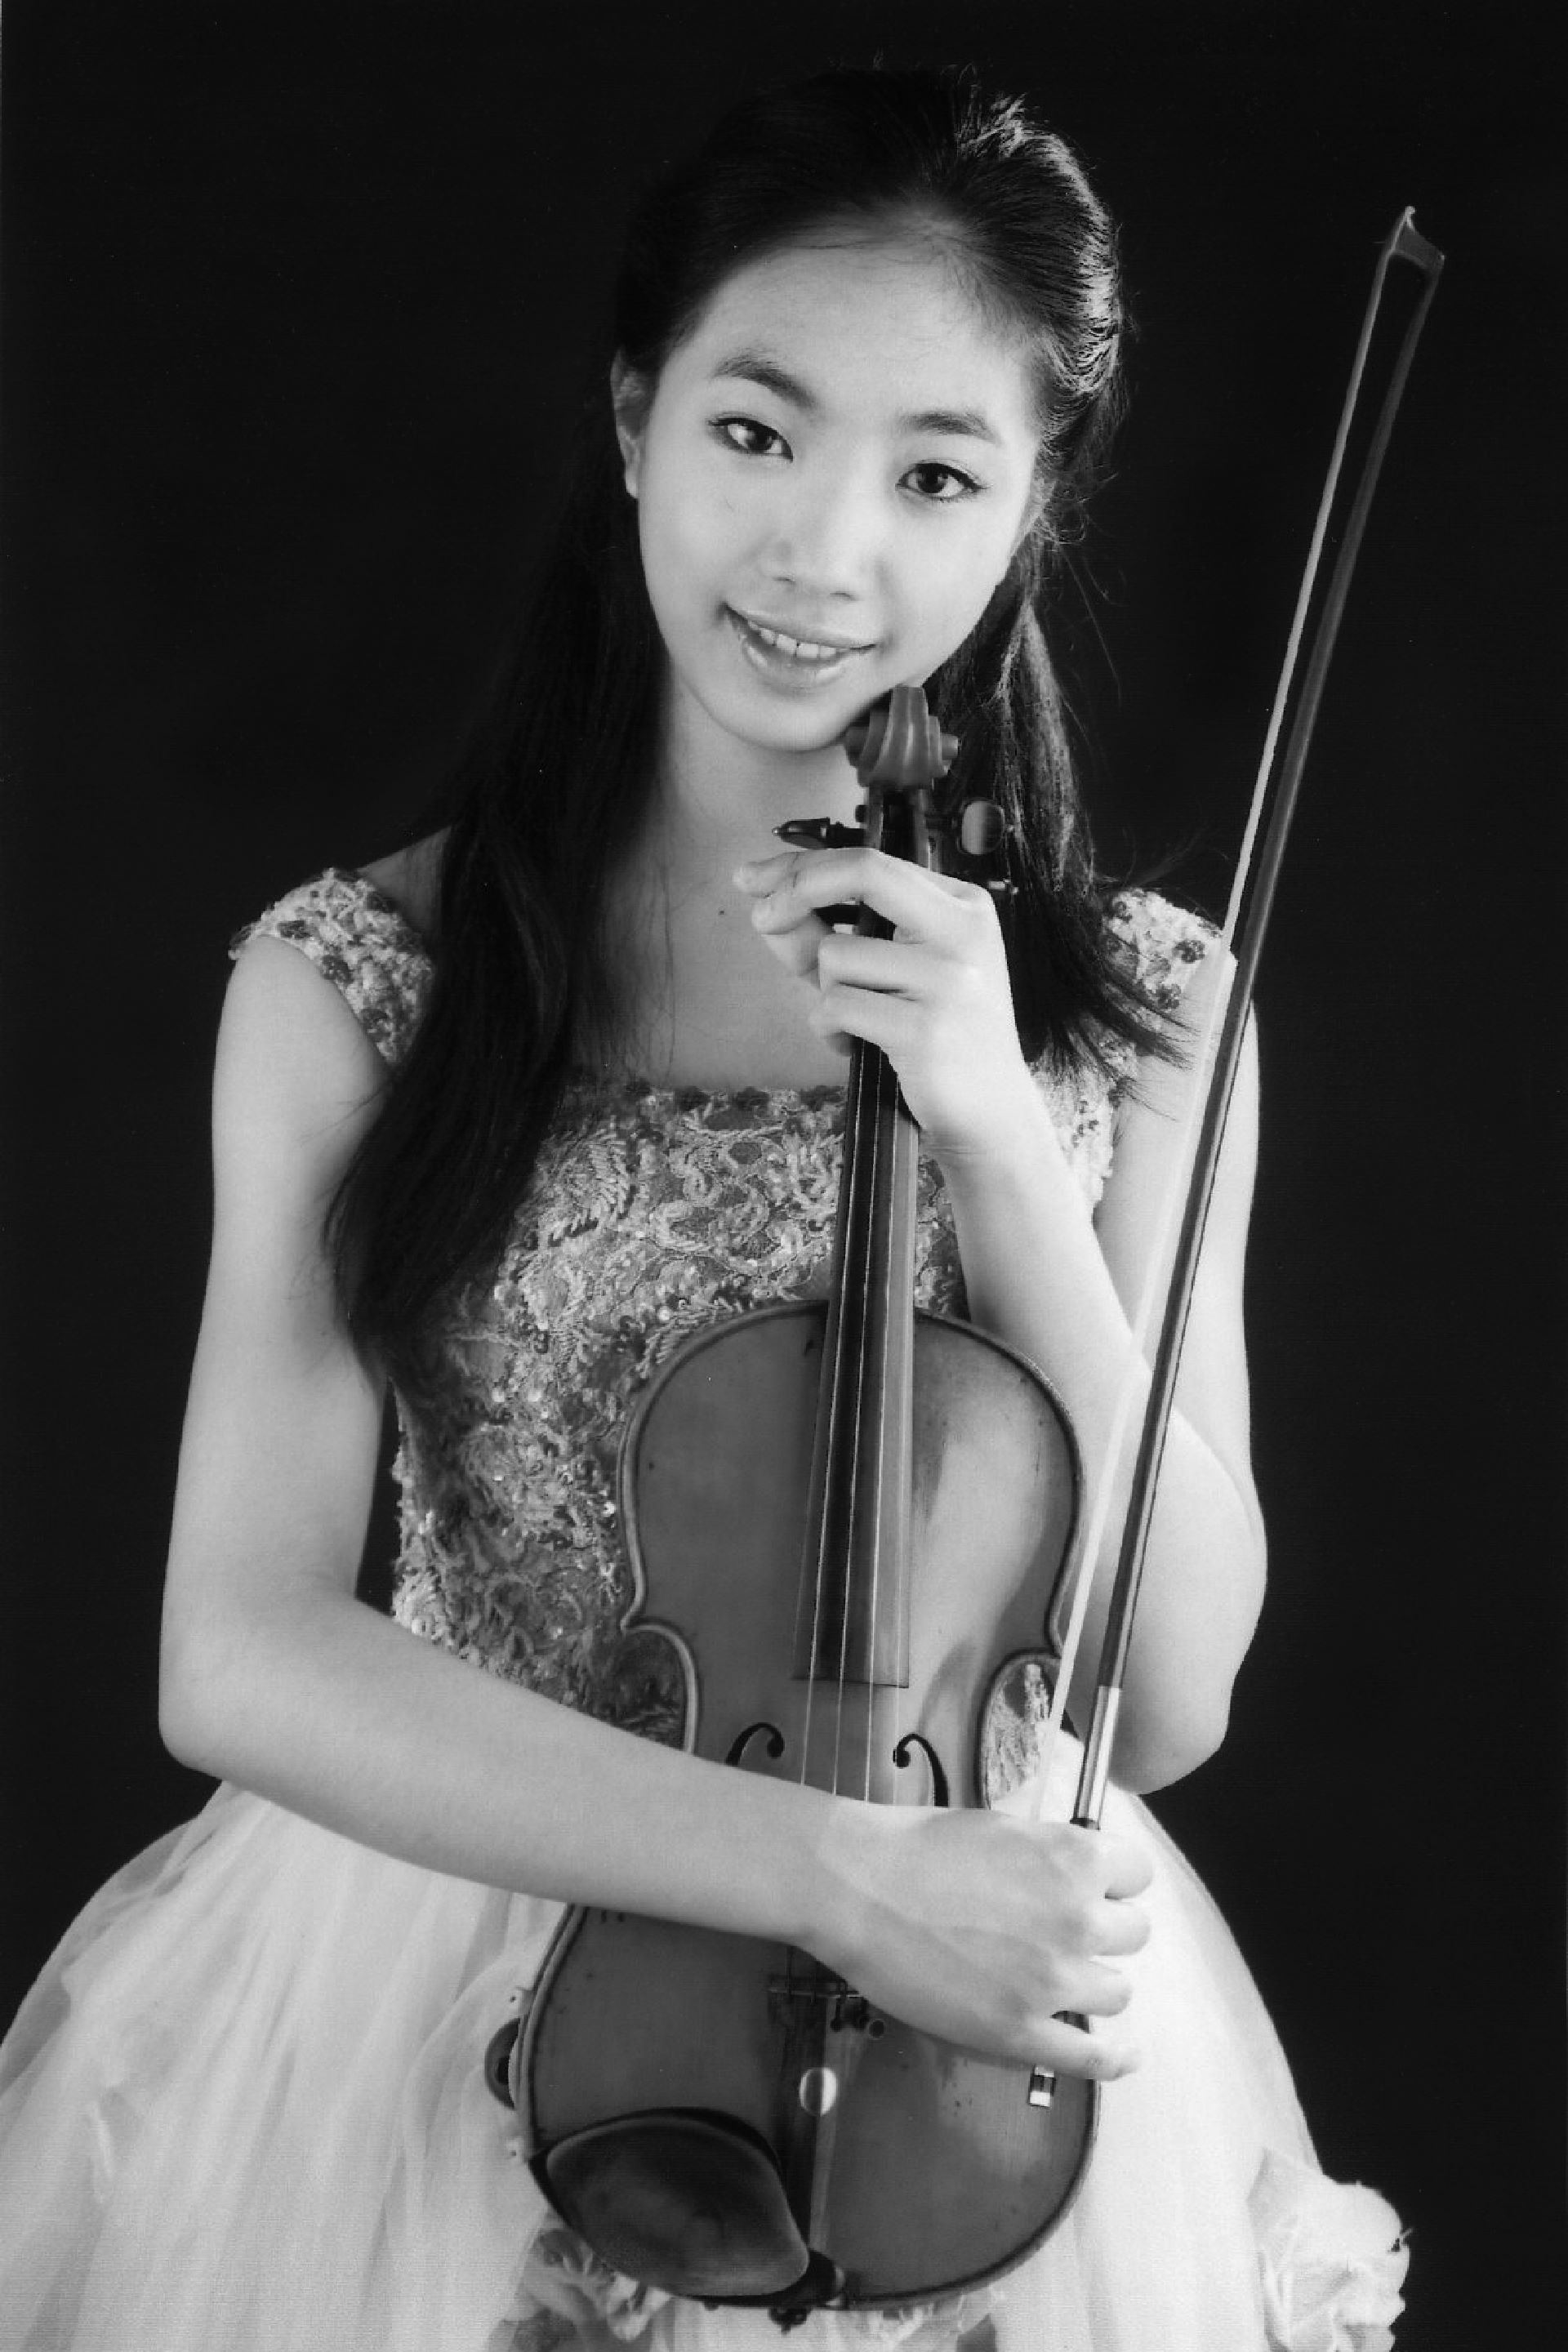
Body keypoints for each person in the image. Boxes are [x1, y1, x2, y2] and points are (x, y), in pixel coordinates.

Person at [0, 64, 1409, 2352]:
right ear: (636, 419)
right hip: (437, 2003)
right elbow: (234, 1650)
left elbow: (1165, 1696)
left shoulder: (1146, 1016)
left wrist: (991, 1124)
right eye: (759, 431)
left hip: (957, 2062)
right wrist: (839, 1875)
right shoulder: (360, 988)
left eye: (935, 474)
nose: (825, 553)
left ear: (1032, 509)